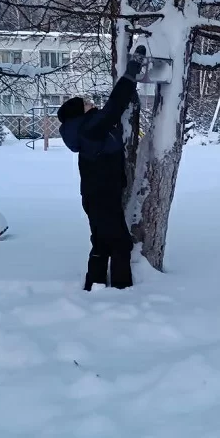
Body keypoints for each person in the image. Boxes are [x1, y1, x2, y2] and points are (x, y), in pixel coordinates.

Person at [57, 45, 147, 291]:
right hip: (103, 197)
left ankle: (93, 286)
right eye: (86, 103)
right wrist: (132, 71)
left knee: (101, 242)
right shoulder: (91, 128)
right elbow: (115, 105)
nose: (90, 103)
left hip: (95, 196)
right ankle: (121, 290)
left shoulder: (84, 130)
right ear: (79, 113)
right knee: (120, 243)